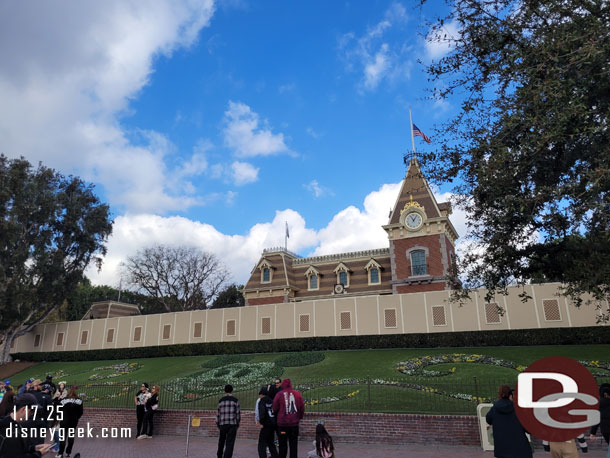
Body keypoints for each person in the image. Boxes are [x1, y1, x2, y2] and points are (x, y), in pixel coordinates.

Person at [0, 393, 54, 457]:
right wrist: (38, 454)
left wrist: (34, 448)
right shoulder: (12, 433)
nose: (32, 414)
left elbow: (17, 449)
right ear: (24, 409)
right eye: (32, 411)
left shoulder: (9, 422)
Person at [486, 385, 532, 458]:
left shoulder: (494, 408)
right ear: (511, 396)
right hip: (520, 449)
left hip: (502, 449)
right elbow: (529, 429)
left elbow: (488, 419)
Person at [272, 378, 305, 458]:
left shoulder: (279, 394)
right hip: (294, 424)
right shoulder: (297, 394)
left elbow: (274, 407)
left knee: (282, 445)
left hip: (283, 424)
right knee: (293, 445)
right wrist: (299, 417)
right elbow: (302, 407)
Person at [56, 387, 83, 458]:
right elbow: (81, 412)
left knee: (62, 438)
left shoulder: (63, 400)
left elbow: (59, 410)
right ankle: (68, 452)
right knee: (71, 438)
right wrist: (76, 418)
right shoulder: (79, 401)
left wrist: (61, 417)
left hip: (64, 421)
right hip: (73, 422)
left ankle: (60, 453)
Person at [216, 384, 240, 458]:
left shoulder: (221, 401)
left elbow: (218, 414)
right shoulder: (235, 400)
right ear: (232, 390)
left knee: (221, 441)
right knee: (230, 443)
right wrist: (237, 423)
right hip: (232, 424)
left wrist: (218, 424)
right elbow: (238, 414)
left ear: (225, 391)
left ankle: (219, 455)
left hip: (223, 424)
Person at [256, 386, 278, 458]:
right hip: (273, 423)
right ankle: (275, 456)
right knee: (271, 442)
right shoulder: (272, 400)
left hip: (266, 424)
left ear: (261, 394)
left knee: (261, 444)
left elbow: (262, 413)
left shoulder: (261, 401)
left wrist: (261, 423)